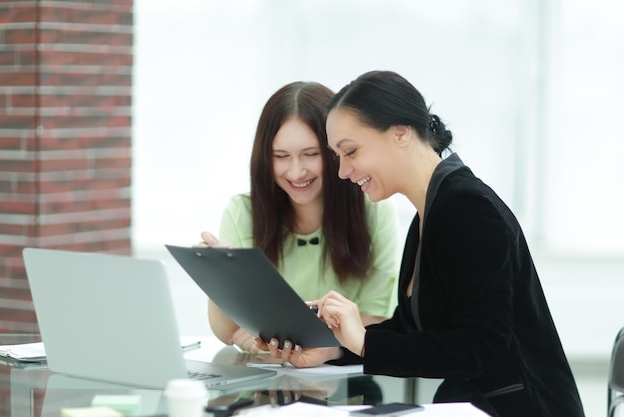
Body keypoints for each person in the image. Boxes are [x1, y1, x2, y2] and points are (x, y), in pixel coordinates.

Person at [258, 71, 585, 417]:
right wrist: (335, 348)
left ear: (400, 133)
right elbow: (409, 328)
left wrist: (366, 342)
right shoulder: (429, 213)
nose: (342, 171)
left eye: (350, 151)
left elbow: (484, 347)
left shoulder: (467, 209)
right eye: (338, 156)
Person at [201, 81, 400, 354]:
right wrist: (217, 274)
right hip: (264, 385)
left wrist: (282, 338)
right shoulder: (242, 213)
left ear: (335, 153)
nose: (296, 172)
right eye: (281, 156)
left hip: (347, 385)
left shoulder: (374, 211)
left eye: (311, 155)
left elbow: (377, 320)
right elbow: (227, 332)